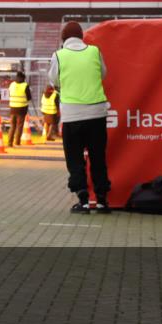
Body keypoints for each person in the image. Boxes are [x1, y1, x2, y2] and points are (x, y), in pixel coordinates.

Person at [48, 21, 112, 214]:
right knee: (98, 156)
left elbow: (54, 80)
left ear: (63, 38)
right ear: (81, 36)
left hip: (72, 115)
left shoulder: (58, 55)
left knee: (75, 159)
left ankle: (83, 199)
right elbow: (103, 73)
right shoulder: (94, 51)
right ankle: (101, 200)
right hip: (96, 113)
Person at [7, 70, 32, 147]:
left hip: (12, 108)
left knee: (12, 126)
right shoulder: (25, 85)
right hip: (21, 109)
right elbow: (29, 98)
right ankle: (17, 142)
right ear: (23, 78)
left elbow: (9, 94)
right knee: (19, 126)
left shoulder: (11, 85)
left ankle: (9, 143)